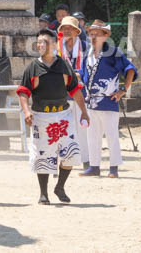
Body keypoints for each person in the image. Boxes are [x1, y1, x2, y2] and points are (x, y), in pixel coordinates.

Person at [17, 29, 89, 204]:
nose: (41, 45)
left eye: (45, 42)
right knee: (43, 156)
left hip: (63, 115)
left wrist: (84, 112)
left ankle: (60, 187)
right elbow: (23, 92)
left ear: (55, 44)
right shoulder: (33, 67)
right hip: (41, 116)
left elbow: (75, 90)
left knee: (71, 153)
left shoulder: (64, 66)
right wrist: (26, 111)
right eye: (39, 42)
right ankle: (43, 193)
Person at [81, 20, 137, 178]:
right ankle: (94, 166)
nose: (93, 37)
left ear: (105, 36)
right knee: (92, 136)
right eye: (91, 34)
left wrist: (123, 90)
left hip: (108, 100)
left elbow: (130, 69)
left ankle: (113, 168)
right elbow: (82, 73)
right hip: (91, 101)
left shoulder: (113, 52)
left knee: (112, 135)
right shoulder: (87, 54)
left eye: (97, 34)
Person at [56, 15, 90, 170]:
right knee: (61, 127)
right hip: (61, 92)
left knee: (82, 127)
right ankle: (61, 160)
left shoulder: (86, 47)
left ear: (77, 31)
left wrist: (79, 75)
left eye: (70, 28)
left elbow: (91, 68)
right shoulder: (56, 48)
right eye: (64, 28)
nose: (67, 31)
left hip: (80, 91)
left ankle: (86, 160)